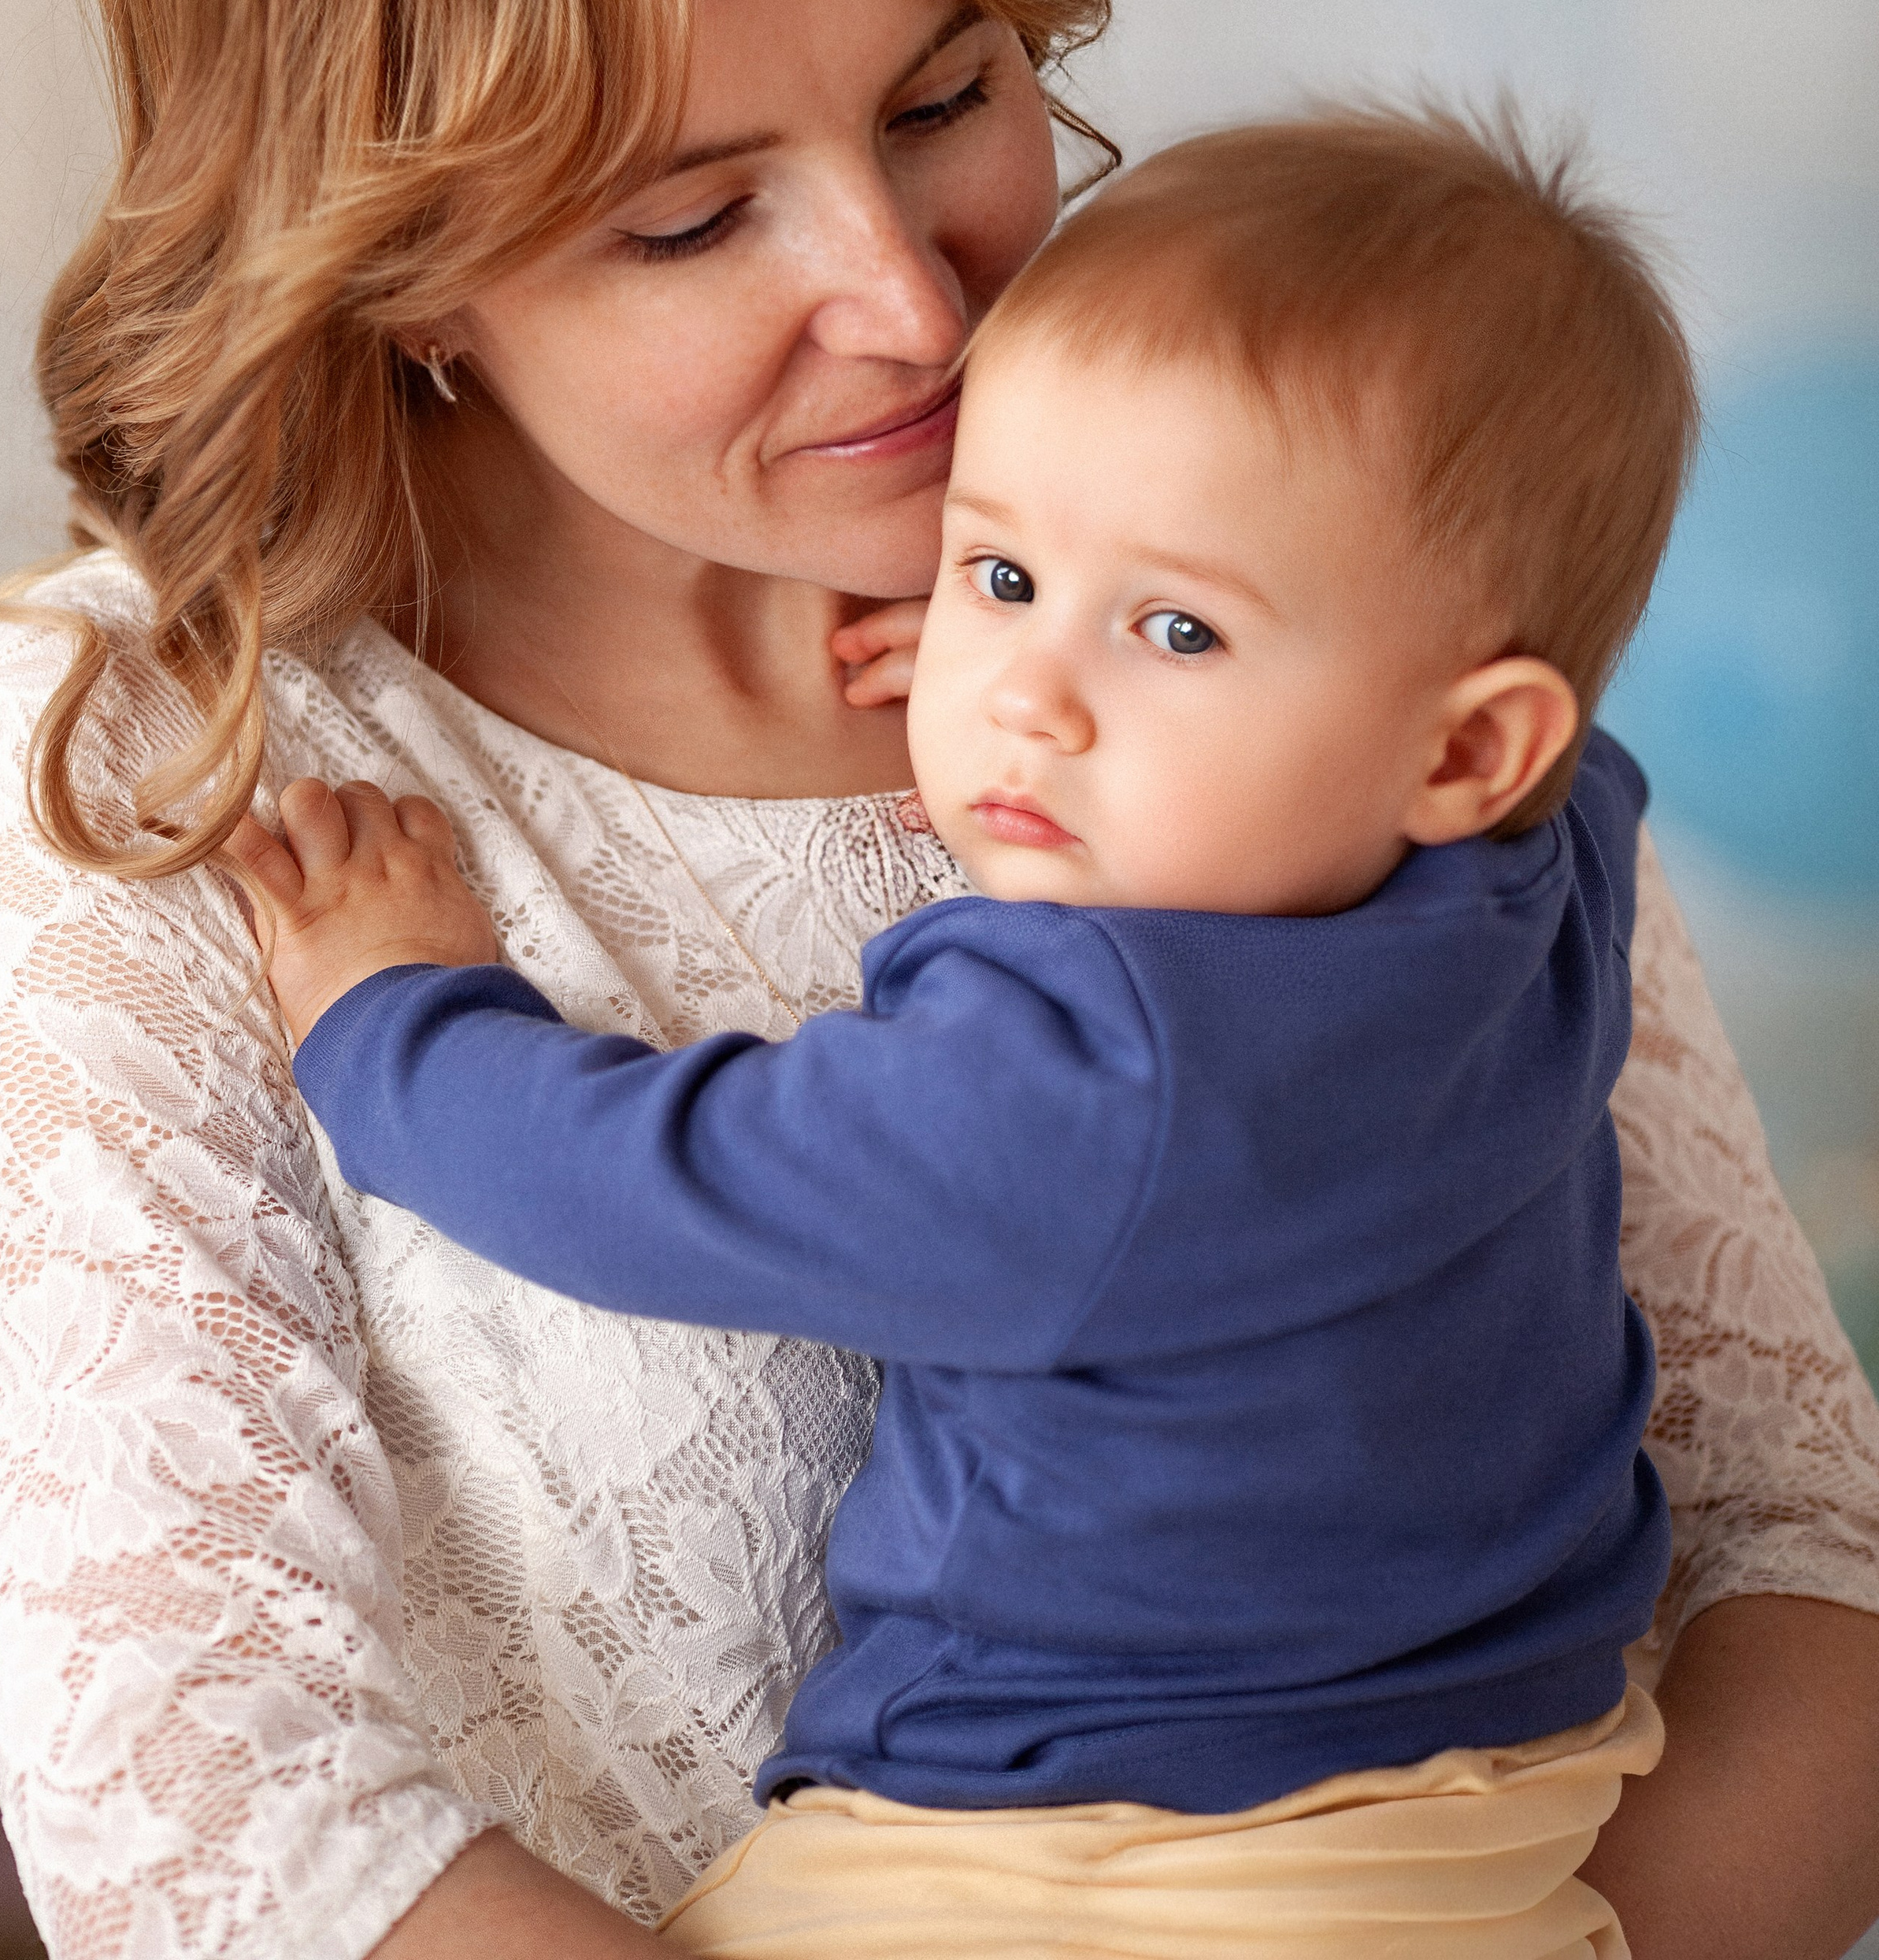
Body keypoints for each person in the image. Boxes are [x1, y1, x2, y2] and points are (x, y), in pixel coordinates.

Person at [0, 0, 1879, 1960]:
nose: (921, 310)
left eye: (947, 99)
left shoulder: (1298, 591)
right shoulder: (151, 753)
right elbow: (222, 1833)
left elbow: (1805, 1552)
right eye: (694, 215)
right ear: (401, 270)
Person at [232, 106, 1684, 1959]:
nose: (1031, 705)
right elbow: (1409, 722)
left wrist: (391, 1011)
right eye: (993, 576)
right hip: (1504, 1800)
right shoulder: (1550, 871)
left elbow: (677, 1180)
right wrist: (1119, 670)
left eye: (1175, 630)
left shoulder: (1103, 1077)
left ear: (1465, 746)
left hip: (1090, 1858)